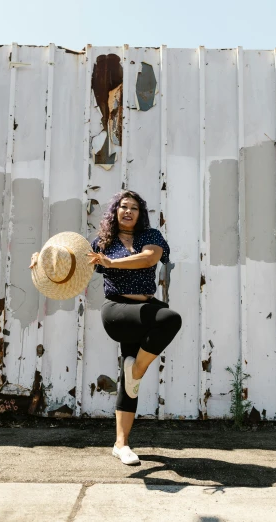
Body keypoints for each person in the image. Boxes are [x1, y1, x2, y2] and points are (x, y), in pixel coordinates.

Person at [87, 190, 182, 466]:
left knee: (130, 382)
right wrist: (43, 259)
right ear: (115, 211)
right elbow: (72, 260)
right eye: (123, 207)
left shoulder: (150, 236)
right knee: (170, 318)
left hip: (144, 308)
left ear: (141, 214)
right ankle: (137, 369)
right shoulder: (102, 242)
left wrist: (112, 262)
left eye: (134, 208)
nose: (128, 211)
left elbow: (149, 259)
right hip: (118, 310)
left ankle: (121, 444)